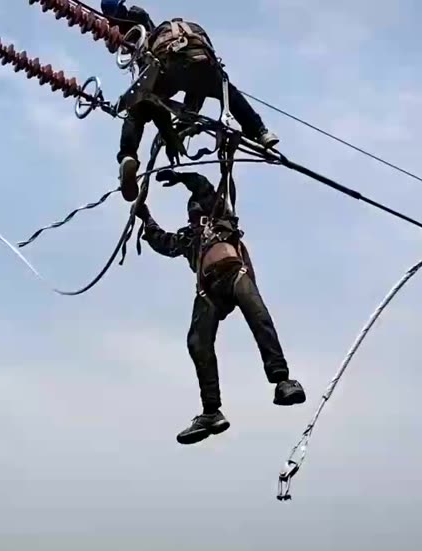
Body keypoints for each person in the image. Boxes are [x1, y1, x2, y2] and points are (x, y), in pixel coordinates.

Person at [135, 169, 306, 445]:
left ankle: (282, 380)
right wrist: (146, 217)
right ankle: (211, 412)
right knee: (197, 342)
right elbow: (162, 241)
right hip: (209, 292)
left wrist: (182, 177)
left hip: (235, 274)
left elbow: (203, 186)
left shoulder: (220, 217)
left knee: (259, 317)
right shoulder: (190, 240)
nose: (194, 217)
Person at [100, 1, 280, 203]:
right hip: (201, 62)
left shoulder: (137, 25)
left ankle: (128, 154)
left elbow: (157, 104)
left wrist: (170, 137)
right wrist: (177, 133)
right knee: (227, 92)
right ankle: (261, 131)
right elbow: (190, 103)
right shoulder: (148, 25)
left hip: (168, 65)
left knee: (139, 108)